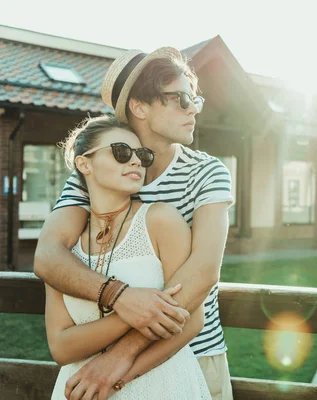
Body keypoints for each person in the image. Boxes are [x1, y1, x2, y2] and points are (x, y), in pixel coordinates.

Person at [34, 47, 234, 400]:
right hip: (93, 365)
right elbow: (48, 256)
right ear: (139, 107)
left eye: (195, 99)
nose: (193, 108)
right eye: (182, 98)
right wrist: (119, 297)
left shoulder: (207, 173)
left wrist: (118, 360)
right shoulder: (94, 175)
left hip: (191, 356)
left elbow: (203, 273)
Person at [47, 115, 211, 399]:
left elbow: (192, 320)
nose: (135, 161)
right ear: (84, 163)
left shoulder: (161, 220)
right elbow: (61, 347)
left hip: (160, 384)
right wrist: (134, 309)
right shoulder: (66, 244)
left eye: (142, 155)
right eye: (122, 152)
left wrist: (117, 375)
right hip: (81, 386)